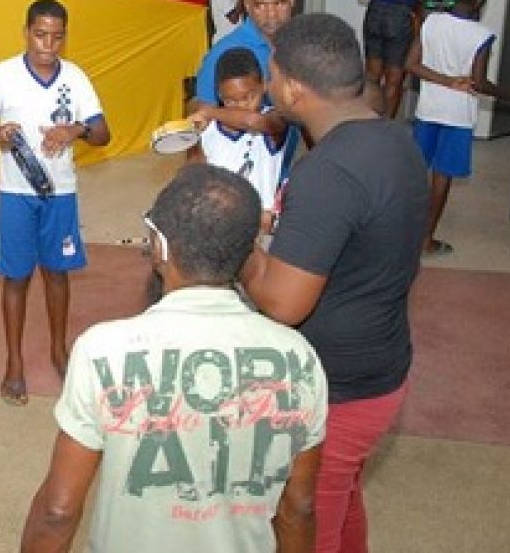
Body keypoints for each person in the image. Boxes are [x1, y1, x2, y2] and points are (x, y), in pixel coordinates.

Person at [22, 164, 328, 553]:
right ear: (248, 250)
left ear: (162, 248)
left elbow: (59, 511)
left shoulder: (103, 350)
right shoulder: (298, 357)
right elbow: (298, 508)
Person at [240, 13, 428, 553]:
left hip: (338, 389)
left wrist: (239, 241)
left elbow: (282, 303)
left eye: (273, 76)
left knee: (305, 516)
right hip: (382, 365)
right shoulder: (395, 139)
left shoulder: (330, 170)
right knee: (342, 496)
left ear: (295, 89)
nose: (269, 86)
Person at [0, 0, 111, 406]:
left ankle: (58, 349)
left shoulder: (76, 78)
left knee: (57, 273)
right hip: (16, 193)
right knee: (16, 277)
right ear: (26, 32)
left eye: (57, 36)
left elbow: (104, 133)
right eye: (40, 34)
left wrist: (76, 130)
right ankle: (14, 362)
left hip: (61, 192)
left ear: (65, 37)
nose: (48, 44)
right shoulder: (3, 74)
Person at [406, 0, 510, 256]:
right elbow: (479, 82)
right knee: (442, 176)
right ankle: (426, 240)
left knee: (415, 173)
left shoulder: (431, 22)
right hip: (457, 116)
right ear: (479, 1)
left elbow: (411, 65)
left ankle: (402, 235)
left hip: (428, 110)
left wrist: (444, 80)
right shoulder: (482, 35)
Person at [187, 46, 292, 227]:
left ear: (264, 86)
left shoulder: (274, 119)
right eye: (231, 101)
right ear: (219, 94)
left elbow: (254, 122)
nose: (240, 106)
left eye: (249, 97)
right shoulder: (207, 130)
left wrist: (209, 111)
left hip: (261, 223)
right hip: (221, 221)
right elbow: (195, 174)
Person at [193, 0, 296, 109]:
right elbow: (203, 112)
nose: (271, 14)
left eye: (279, 3)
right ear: (247, 5)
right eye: (261, 6)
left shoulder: (304, 45)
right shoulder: (224, 51)